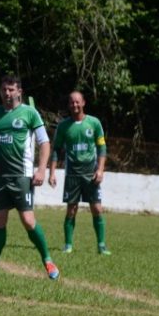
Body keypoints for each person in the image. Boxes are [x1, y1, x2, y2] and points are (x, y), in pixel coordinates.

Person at [0, 75, 59, 280]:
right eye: (4, 89)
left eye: (11, 90)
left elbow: (44, 142)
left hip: (22, 177)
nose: (7, 93)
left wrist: (42, 170)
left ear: (19, 92)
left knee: (27, 219)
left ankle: (48, 260)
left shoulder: (29, 113)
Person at [48, 89, 111, 255]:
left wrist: (100, 169)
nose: (74, 104)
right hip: (72, 174)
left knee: (97, 209)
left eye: (77, 101)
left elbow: (102, 147)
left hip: (91, 173)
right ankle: (68, 245)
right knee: (71, 209)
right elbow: (56, 150)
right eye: (71, 102)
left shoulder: (94, 123)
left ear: (83, 103)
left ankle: (101, 245)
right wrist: (52, 173)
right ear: (69, 105)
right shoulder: (63, 126)